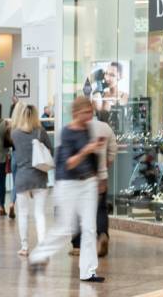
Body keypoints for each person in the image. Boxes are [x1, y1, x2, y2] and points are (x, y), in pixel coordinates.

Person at [29, 96, 105, 283]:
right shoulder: (67, 132)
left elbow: (89, 158)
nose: (89, 116)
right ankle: (38, 255)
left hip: (87, 183)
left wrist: (98, 176)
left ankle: (88, 271)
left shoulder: (88, 129)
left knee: (89, 228)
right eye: (85, 113)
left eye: (90, 112)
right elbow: (69, 163)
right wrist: (88, 149)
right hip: (68, 184)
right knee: (66, 228)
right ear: (75, 113)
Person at [71, 110, 117, 258]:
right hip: (100, 176)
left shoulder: (77, 128)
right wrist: (104, 167)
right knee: (100, 208)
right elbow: (112, 151)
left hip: (80, 177)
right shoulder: (106, 128)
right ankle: (102, 234)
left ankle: (78, 244)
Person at [10, 105, 53, 257]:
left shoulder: (14, 134)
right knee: (39, 214)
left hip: (22, 178)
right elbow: (50, 150)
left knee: (22, 213)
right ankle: (42, 247)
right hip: (39, 177)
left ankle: (24, 247)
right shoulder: (41, 132)